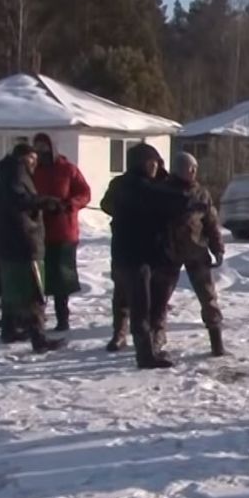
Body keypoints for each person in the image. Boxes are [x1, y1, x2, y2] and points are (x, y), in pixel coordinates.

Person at [99, 143, 200, 369]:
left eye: (157, 163)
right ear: (141, 164)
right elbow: (173, 202)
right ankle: (145, 355)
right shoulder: (138, 187)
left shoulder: (133, 185)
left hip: (138, 255)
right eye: (152, 163)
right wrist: (185, 194)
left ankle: (147, 349)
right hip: (135, 257)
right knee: (140, 307)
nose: (155, 167)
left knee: (145, 304)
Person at [156, 152, 227, 357]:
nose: (194, 172)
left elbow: (211, 224)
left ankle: (216, 341)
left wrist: (218, 248)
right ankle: (157, 338)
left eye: (195, 167)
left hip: (197, 251)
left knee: (208, 297)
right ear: (179, 170)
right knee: (160, 299)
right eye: (190, 168)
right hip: (168, 253)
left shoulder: (201, 194)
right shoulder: (164, 192)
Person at [0, 143, 64, 352]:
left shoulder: (2, 170)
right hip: (23, 240)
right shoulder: (17, 172)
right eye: (33, 158)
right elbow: (20, 200)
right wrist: (47, 202)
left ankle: (8, 330)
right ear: (25, 157)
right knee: (34, 291)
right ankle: (39, 338)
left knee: (10, 289)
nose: (35, 163)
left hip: (5, 241)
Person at [30, 133, 91, 331]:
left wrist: (68, 204)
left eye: (44, 147)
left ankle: (62, 317)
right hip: (39, 231)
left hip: (64, 231)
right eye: (37, 147)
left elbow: (84, 193)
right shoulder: (33, 171)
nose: (41, 151)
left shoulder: (68, 169)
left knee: (62, 278)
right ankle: (38, 317)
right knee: (40, 277)